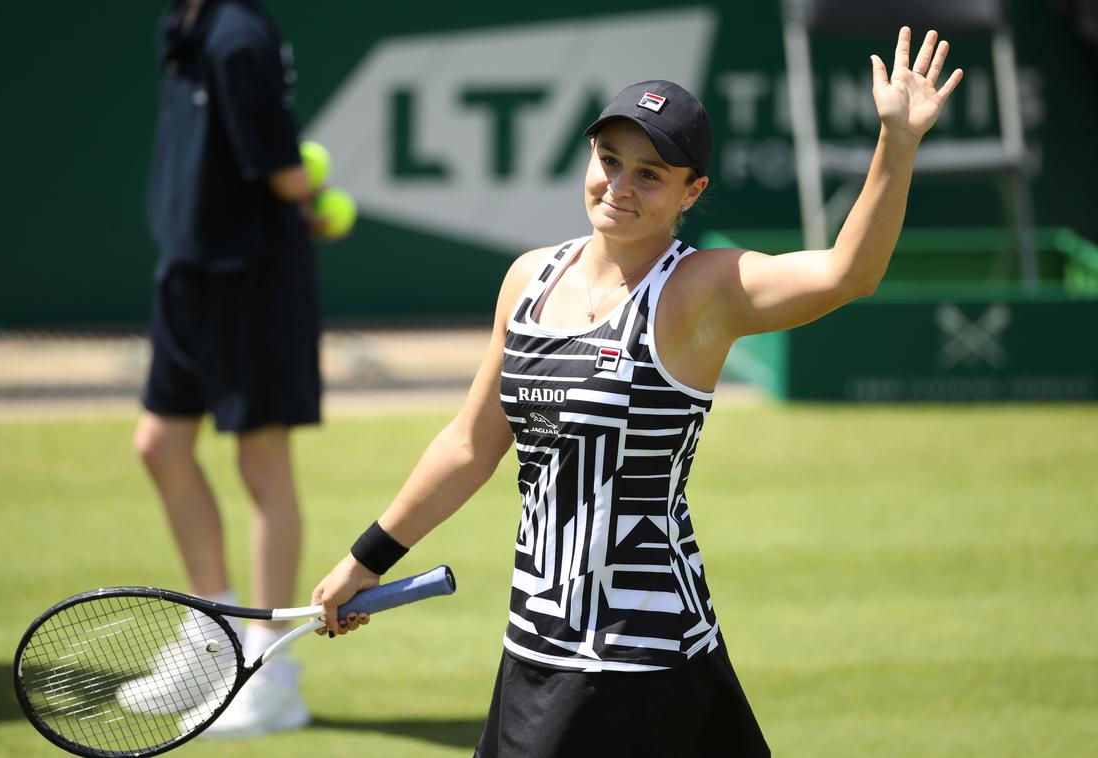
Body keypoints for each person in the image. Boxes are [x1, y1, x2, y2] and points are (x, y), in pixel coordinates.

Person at [311, 27, 963, 757]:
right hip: (537, 640)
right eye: (609, 160)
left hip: (637, 657)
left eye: (650, 174)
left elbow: (849, 274)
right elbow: (470, 444)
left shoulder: (701, 291)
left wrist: (897, 143)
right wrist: (365, 558)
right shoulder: (529, 280)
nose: (619, 186)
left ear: (694, 191)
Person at [122, 0, 322, 739]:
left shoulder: (238, 35)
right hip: (188, 276)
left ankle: (272, 672)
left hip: (252, 281)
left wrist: (313, 197)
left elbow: (284, 174)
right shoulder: (183, 26)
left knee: (261, 463)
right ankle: (215, 638)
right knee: (160, 444)